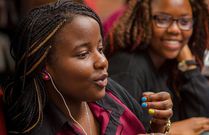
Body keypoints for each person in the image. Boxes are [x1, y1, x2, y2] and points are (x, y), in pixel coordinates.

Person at [2, 0, 173, 134]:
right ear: (44, 68)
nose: (103, 61)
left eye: (100, 49)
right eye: (83, 54)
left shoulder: (112, 94)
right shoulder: (38, 129)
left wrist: (158, 125)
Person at [105, 0, 209, 134]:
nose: (174, 29)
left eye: (184, 22)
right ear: (144, 20)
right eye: (162, 19)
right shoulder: (128, 69)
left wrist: (189, 66)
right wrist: (172, 131)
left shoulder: (171, 63)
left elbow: (208, 115)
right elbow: (121, 131)